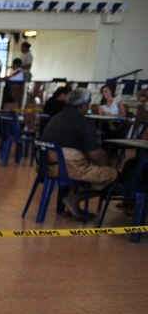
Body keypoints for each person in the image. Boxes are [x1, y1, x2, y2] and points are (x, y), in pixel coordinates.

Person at [42, 88, 118, 221]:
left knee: (85, 167)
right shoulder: (84, 123)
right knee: (111, 175)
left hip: (47, 166)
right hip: (67, 169)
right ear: (84, 106)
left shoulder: (56, 117)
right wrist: (108, 166)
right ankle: (73, 199)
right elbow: (95, 155)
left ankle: (72, 200)